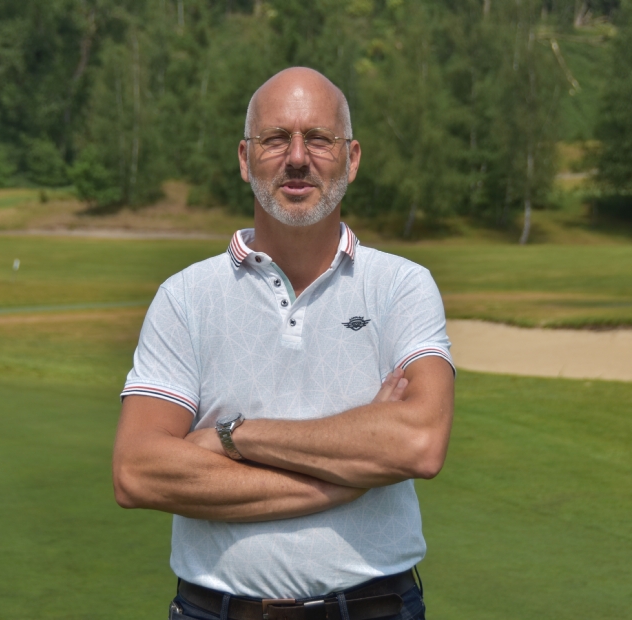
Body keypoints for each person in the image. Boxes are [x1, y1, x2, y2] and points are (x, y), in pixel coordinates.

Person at [112, 67, 455, 620]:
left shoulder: (401, 286)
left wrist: (232, 436)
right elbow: (138, 471)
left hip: (374, 609)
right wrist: (344, 480)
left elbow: (418, 443)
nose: (297, 157)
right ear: (245, 158)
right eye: (275, 139)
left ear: (352, 158)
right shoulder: (185, 297)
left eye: (319, 138)